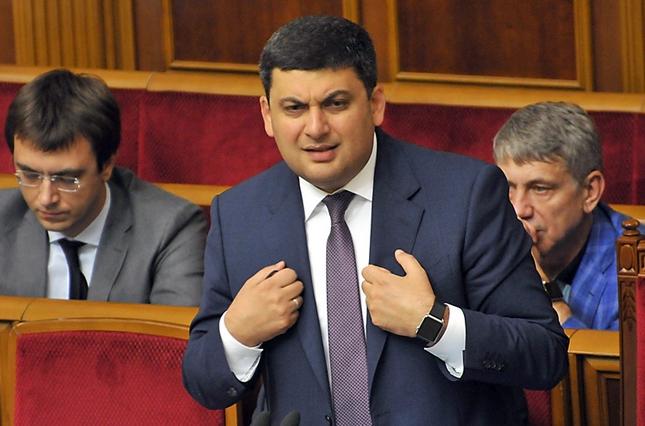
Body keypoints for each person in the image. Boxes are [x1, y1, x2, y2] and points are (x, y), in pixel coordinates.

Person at [182, 15, 568, 425]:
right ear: (267, 114)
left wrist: (434, 323)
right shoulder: (239, 214)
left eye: (336, 104)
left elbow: (544, 355)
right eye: (294, 108)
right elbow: (204, 384)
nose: (315, 128)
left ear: (375, 104)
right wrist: (238, 333)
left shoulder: (466, 195)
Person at [0, 68, 207, 305]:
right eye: (30, 175)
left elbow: (176, 334)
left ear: (106, 165)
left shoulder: (169, 228)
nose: (46, 198)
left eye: (67, 179)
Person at [494, 101, 642, 330]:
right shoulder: (482, 243)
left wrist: (547, 297)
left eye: (540, 189)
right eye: (508, 187)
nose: (519, 210)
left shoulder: (636, 268)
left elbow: (622, 355)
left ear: (589, 191)